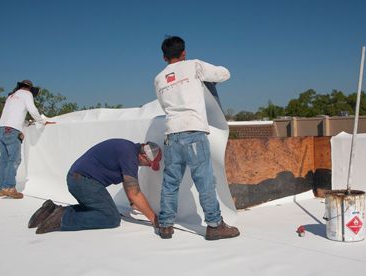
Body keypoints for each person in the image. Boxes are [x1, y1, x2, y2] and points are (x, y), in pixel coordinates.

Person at [151, 35, 239, 240]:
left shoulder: (158, 78)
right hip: (194, 132)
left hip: (172, 135)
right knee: (205, 181)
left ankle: (165, 225)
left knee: (170, 182)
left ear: (164, 57)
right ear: (184, 53)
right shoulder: (194, 65)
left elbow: (165, 107)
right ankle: (215, 226)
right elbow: (224, 74)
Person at [27, 139, 161, 234]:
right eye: (149, 163)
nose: (148, 166)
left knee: (97, 209)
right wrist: (155, 219)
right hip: (84, 181)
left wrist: (132, 203)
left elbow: (128, 184)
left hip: (78, 178)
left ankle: (52, 210)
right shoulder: (129, 156)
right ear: (143, 156)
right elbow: (134, 192)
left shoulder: (127, 148)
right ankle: (62, 218)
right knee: (111, 218)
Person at [0, 80, 55, 199]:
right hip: (11, 131)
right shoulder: (27, 94)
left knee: (4, 160)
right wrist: (42, 121)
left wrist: (25, 123)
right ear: (29, 89)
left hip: (1, 130)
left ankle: (1, 189)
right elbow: (32, 110)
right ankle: (10, 188)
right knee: (15, 159)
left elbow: (13, 114)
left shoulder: (11, 96)